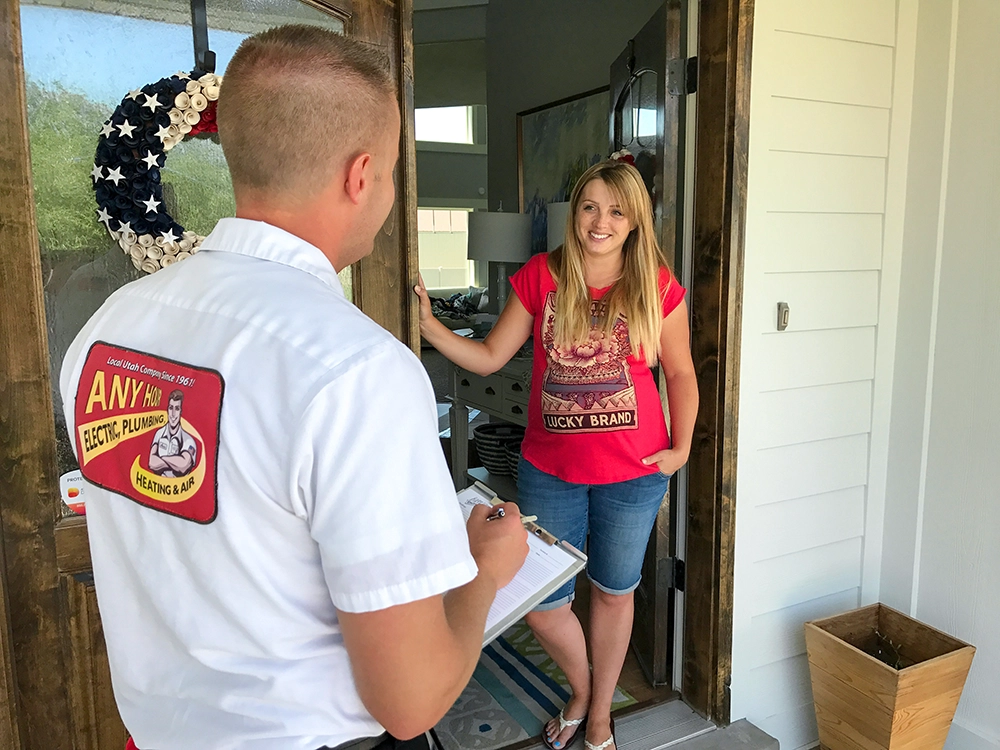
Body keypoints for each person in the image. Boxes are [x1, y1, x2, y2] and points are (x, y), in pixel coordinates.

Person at [60, 25, 527, 750]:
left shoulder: (104, 333)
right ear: (361, 175)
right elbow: (410, 703)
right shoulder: (356, 372)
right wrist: (486, 575)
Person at [415, 159, 698, 750]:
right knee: (543, 603)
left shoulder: (656, 285)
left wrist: (681, 447)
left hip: (636, 472)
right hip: (550, 472)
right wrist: (435, 331)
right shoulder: (543, 275)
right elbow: (492, 355)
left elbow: (680, 372)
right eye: (590, 207)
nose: (601, 221)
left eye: (616, 211)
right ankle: (586, 690)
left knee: (616, 593)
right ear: (577, 213)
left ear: (634, 222)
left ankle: (596, 718)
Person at [148, 389, 196, 477]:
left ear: (181, 412)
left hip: (180, 489)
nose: (173, 414)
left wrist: (161, 459)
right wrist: (175, 463)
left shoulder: (188, 440)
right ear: (167, 410)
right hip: (158, 485)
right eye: (171, 408)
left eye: (177, 409)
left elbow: (183, 465)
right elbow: (152, 462)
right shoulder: (159, 434)